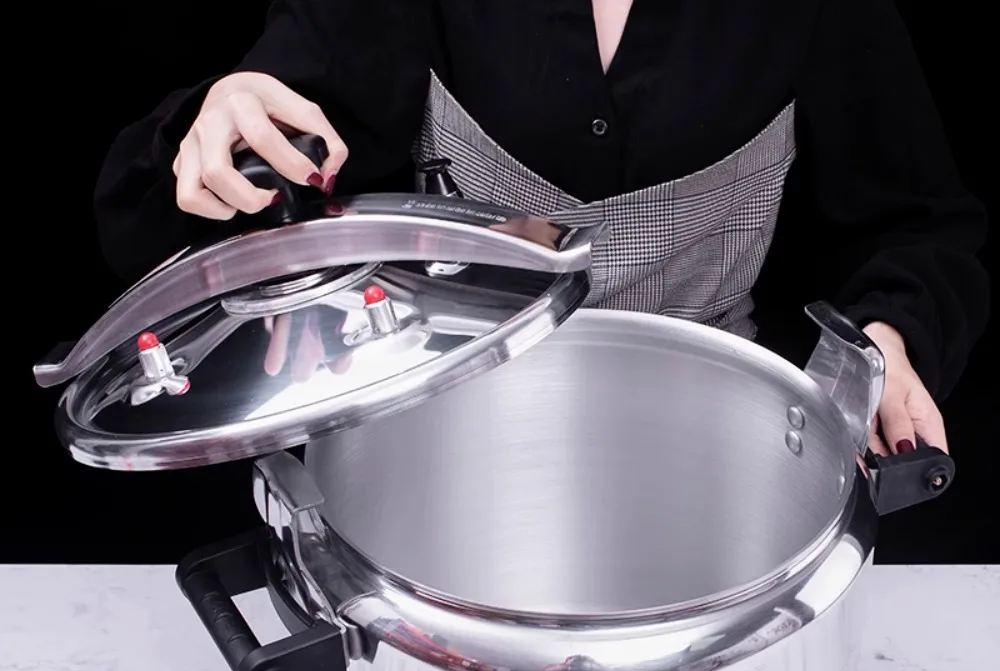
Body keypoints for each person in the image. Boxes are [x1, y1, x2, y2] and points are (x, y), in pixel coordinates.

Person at [94, 0, 988, 457]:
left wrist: (888, 336)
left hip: (720, 458)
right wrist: (214, 131)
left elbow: (916, 226)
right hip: (437, 449)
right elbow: (221, 201)